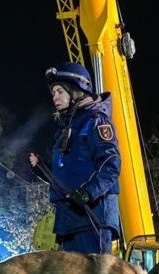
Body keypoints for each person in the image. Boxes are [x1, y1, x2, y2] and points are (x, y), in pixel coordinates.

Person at [29, 62, 121, 254]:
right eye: (53, 93)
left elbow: (111, 165)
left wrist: (88, 192)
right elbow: (68, 177)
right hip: (69, 222)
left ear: (77, 91)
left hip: (92, 218)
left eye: (60, 91)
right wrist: (43, 169)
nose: (55, 97)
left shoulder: (96, 121)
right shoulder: (66, 128)